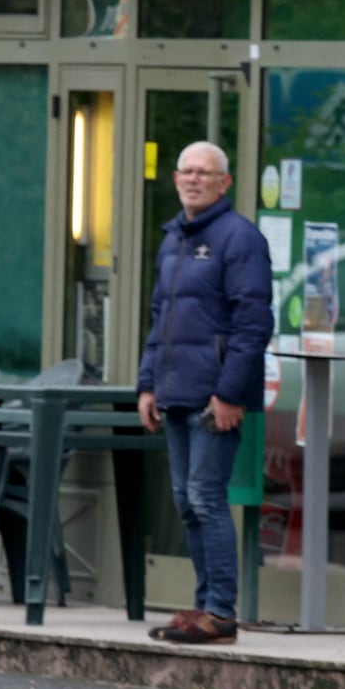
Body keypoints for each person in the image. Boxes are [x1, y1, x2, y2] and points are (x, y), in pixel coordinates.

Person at [138, 141, 272, 644]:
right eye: (186, 171)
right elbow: (160, 320)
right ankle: (202, 608)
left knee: (206, 498)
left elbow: (253, 323)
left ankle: (220, 612)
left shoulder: (240, 239)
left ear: (224, 183)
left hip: (215, 396)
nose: (194, 179)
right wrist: (147, 384)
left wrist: (231, 393)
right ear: (175, 179)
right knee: (185, 501)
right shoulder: (173, 239)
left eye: (205, 173)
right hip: (175, 391)